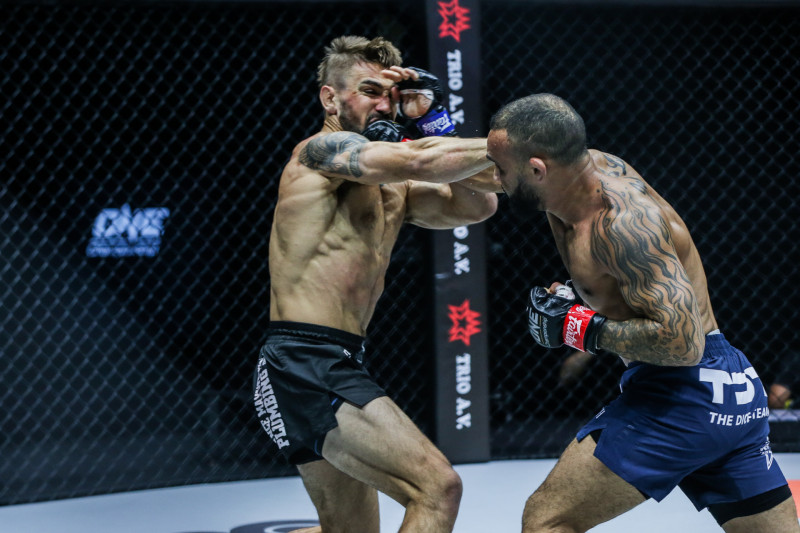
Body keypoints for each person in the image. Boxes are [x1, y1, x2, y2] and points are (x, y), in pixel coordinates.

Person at [486, 93, 800, 533]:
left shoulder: (622, 225)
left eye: (500, 171)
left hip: (682, 393)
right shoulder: (576, 168)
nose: (493, 179)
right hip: (732, 391)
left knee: (547, 520)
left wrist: (581, 328)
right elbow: (470, 163)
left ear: (537, 170)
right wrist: (427, 123)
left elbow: (683, 344)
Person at [253, 35, 498, 533]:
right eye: (369, 91)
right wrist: (519, 144)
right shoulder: (319, 153)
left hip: (336, 358)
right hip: (304, 361)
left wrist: (433, 119)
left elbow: (477, 204)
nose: (384, 105)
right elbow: (420, 161)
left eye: (391, 95)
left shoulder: (395, 186)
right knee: (438, 489)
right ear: (330, 98)